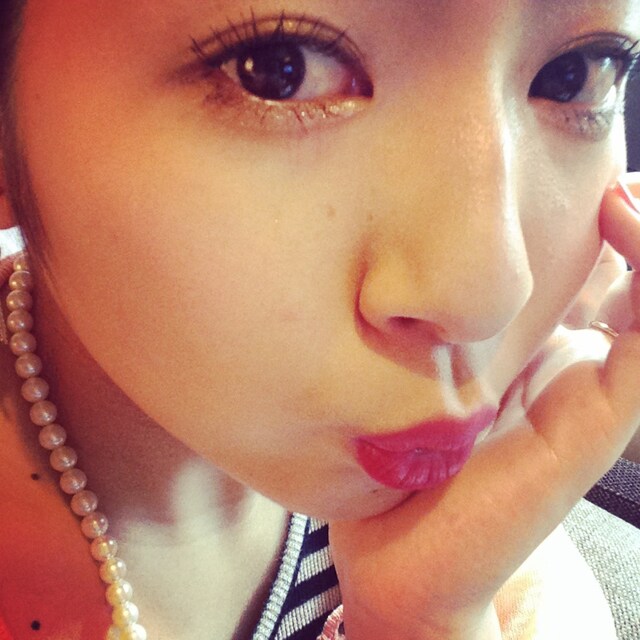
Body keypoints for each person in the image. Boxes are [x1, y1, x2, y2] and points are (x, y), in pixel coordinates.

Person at [0, 1, 639, 639]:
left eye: (575, 75)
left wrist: (420, 619)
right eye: (280, 70)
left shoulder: (500, 551)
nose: (490, 297)